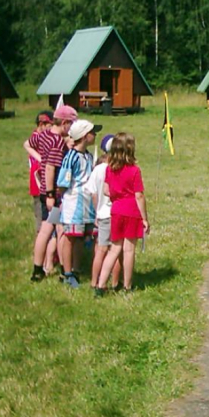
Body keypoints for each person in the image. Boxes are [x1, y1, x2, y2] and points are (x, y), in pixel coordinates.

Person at [95, 133, 149, 297]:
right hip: (131, 210)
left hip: (116, 210)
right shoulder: (134, 170)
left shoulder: (110, 169)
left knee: (114, 249)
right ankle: (127, 285)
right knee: (128, 250)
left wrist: (115, 196)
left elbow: (105, 190)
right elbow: (139, 195)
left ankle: (100, 285)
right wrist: (145, 218)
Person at [29, 104, 78, 282]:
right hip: (53, 194)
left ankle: (38, 268)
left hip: (42, 190)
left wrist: (39, 158)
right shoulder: (57, 143)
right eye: (71, 125)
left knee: (45, 230)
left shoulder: (43, 135)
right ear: (64, 123)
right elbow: (50, 168)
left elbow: (28, 144)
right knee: (57, 230)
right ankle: (65, 270)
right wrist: (51, 195)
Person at [56, 119, 101, 289]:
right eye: (92, 132)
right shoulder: (71, 157)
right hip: (74, 206)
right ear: (83, 136)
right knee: (70, 238)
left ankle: (76, 268)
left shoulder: (88, 156)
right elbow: (62, 183)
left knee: (81, 239)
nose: (95, 135)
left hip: (88, 207)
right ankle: (67, 272)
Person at [86, 134, 122, 291]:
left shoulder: (98, 169)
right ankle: (115, 282)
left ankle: (94, 281)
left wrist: (96, 211)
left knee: (100, 250)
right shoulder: (118, 169)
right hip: (115, 213)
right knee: (116, 250)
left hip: (101, 214)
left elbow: (93, 193)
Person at [23, 111, 53, 261]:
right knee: (42, 224)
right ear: (42, 124)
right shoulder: (37, 139)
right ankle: (41, 257)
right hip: (39, 187)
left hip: (44, 186)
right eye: (50, 125)